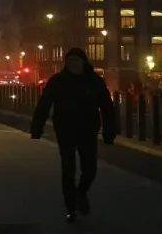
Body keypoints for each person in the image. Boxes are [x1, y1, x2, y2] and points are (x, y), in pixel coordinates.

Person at [30, 47, 116, 223]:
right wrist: (37, 127)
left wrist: (109, 131)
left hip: (88, 129)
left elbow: (107, 107)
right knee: (68, 169)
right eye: (69, 61)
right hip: (65, 129)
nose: (72, 65)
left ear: (84, 62)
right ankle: (70, 207)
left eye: (76, 61)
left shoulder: (95, 82)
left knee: (90, 169)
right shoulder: (58, 81)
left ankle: (81, 192)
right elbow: (44, 104)